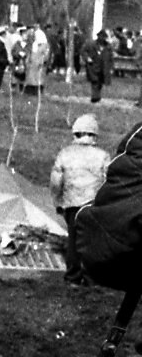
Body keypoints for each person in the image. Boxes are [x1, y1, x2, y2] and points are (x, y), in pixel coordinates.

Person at [51, 114, 108, 286]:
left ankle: (72, 277)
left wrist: (57, 201)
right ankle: (92, 278)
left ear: (75, 134)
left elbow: (56, 182)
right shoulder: (103, 156)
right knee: (93, 241)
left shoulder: (65, 155)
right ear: (95, 135)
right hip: (95, 205)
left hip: (72, 204)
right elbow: (108, 181)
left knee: (73, 241)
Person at [86, 28, 115, 103]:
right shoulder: (91, 44)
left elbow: (111, 58)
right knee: (95, 81)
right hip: (93, 66)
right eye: (101, 37)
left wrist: (111, 67)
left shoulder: (108, 47)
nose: (102, 39)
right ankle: (94, 97)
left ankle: (97, 96)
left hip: (104, 67)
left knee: (100, 82)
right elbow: (83, 51)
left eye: (104, 37)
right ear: (98, 37)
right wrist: (87, 58)